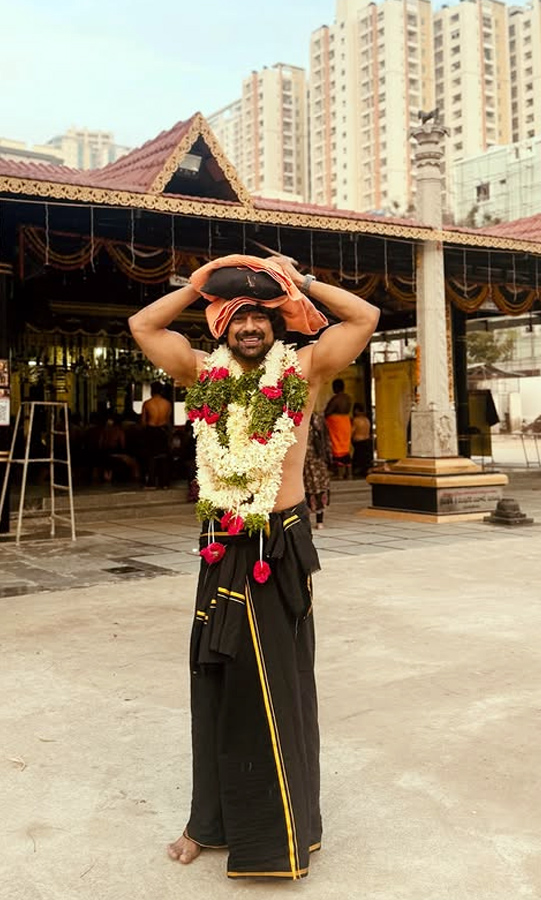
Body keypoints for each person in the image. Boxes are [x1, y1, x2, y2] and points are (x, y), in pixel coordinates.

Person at [129, 253, 379, 881]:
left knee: (275, 686)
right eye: (236, 315)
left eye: (260, 315)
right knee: (214, 678)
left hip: (279, 542)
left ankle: (282, 834)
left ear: (276, 323)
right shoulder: (201, 373)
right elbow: (142, 327)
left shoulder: (304, 367)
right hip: (223, 541)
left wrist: (300, 283)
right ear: (219, 325)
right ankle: (205, 823)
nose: (249, 326)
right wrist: (193, 286)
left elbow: (367, 315)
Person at [141, 381, 173, 489]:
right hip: (163, 429)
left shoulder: (147, 404)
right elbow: (168, 420)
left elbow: (143, 422)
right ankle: (164, 483)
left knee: (151, 456)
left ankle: (151, 482)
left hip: (151, 429)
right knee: (164, 456)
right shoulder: (167, 404)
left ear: (151, 391)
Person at [303, 411, 332, 529]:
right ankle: (317, 521)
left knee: (313, 489)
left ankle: (315, 520)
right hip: (314, 461)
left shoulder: (313, 419)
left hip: (310, 460)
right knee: (316, 488)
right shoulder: (317, 418)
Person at [324, 378, 352, 478]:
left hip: (336, 423)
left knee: (337, 446)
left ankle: (340, 473)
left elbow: (327, 412)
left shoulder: (335, 399)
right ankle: (348, 473)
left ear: (336, 387)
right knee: (345, 445)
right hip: (346, 422)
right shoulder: (348, 398)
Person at [351, 402, 374, 477]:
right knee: (365, 460)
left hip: (359, 442)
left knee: (357, 460)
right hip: (367, 441)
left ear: (356, 410)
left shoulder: (356, 420)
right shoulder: (367, 420)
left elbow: (352, 431)